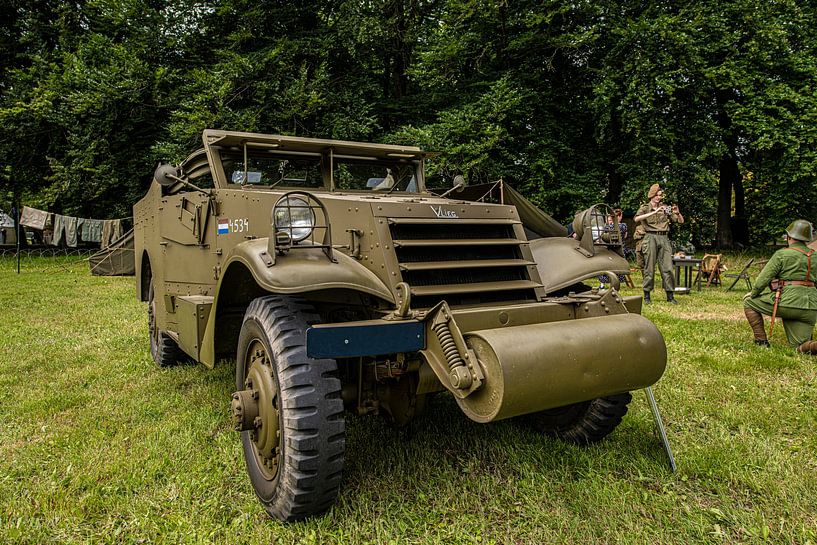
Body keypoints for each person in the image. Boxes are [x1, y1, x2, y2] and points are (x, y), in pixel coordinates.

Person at [743, 219, 817, 353]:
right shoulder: (815, 256)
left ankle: (761, 341)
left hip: (786, 302)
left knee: (748, 302)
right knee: (799, 347)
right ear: (807, 240)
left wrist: (753, 294)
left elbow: (762, 280)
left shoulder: (782, 254)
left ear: (789, 237)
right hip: (811, 308)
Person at [634, 183, 684, 304]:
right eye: (657, 195)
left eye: (660, 195)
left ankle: (670, 296)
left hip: (664, 238)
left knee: (667, 267)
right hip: (650, 237)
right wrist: (654, 211)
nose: (659, 197)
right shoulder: (645, 207)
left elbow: (680, 221)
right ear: (652, 195)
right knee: (649, 268)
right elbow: (636, 219)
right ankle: (647, 296)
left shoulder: (665, 207)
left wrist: (677, 212)